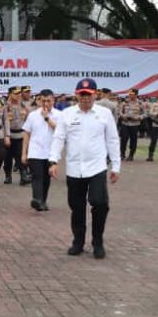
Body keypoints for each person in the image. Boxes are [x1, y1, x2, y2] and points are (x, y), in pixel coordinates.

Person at [48, 78, 120, 259]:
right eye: (82, 95)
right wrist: (53, 161)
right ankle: (78, 241)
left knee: (100, 203)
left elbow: (112, 139)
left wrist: (116, 165)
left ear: (95, 95)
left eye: (89, 95)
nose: (85, 99)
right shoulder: (68, 114)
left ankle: (98, 241)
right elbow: (59, 138)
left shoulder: (104, 114)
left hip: (97, 167)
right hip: (74, 168)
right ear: (76, 95)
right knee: (77, 207)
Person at [21, 89, 62, 211]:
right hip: (35, 152)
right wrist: (24, 153)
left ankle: (43, 200)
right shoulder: (33, 115)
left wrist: (47, 119)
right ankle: (37, 199)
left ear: (53, 100)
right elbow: (27, 133)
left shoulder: (59, 115)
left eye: (48, 101)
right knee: (37, 176)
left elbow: (60, 131)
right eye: (43, 101)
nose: (45, 104)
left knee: (46, 178)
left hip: (50, 152)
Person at [4, 86, 29, 185]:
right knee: (7, 157)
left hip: (20, 135)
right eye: (15, 93)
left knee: (20, 156)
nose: (18, 95)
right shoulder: (5, 106)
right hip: (9, 134)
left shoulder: (23, 106)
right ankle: (8, 176)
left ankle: (23, 176)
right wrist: (6, 136)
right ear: (10, 94)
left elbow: (27, 121)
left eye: (19, 93)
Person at [119, 89, 144, 161]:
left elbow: (145, 113)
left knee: (133, 140)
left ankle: (131, 155)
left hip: (135, 124)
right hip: (125, 123)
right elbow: (120, 111)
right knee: (123, 139)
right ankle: (122, 154)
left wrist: (139, 117)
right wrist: (123, 116)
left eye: (132, 94)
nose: (130, 95)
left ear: (136, 95)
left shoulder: (140, 103)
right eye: (129, 94)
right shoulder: (124, 102)